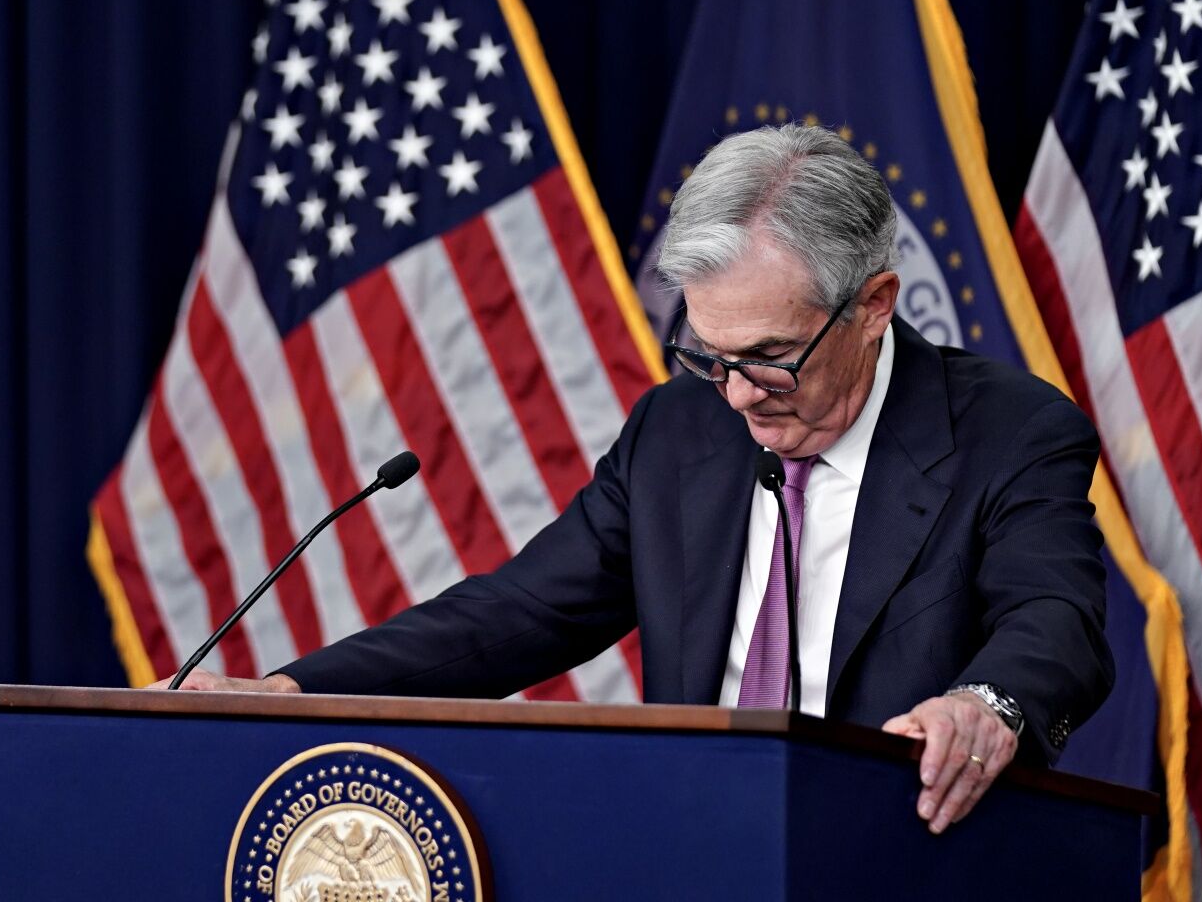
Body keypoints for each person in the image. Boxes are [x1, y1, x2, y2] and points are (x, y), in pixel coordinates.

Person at [159, 123, 1113, 835]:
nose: (736, 393)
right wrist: (293, 691)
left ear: (873, 306)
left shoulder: (1010, 434)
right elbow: (517, 613)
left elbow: (1056, 621)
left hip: (906, 877)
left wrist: (984, 706)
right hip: (699, 869)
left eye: (770, 357)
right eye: (710, 353)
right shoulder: (678, 431)